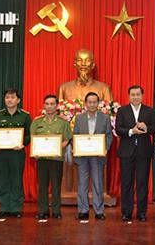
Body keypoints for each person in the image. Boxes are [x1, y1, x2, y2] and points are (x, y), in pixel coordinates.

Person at [58, 49, 113, 196]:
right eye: (80, 60)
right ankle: (77, 202)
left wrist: (104, 146)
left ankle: (98, 206)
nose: (83, 64)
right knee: (78, 179)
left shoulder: (103, 88)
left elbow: (109, 115)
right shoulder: (64, 88)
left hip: (97, 147)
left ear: (93, 64)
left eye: (87, 60)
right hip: (72, 144)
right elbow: (60, 115)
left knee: (97, 180)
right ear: (74, 64)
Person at [115, 85, 155, 222]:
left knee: (142, 183)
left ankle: (142, 213)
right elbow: (118, 129)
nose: (135, 97)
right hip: (127, 152)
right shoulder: (122, 111)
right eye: (133, 94)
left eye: (138, 94)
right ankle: (126, 212)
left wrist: (146, 128)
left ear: (142, 96)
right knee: (126, 183)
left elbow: (154, 129)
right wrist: (132, 131)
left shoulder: (149, 111)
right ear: (129, 96)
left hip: (143, 152)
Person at [30, 94, 72, 220]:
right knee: (42, 186)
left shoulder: (63, 123)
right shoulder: (37, 122)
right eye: (47, 104)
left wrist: (58, 148)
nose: (49, 106)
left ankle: (56, 211)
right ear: (44, 105)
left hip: (56, 159)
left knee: (56, 185)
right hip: (41, 158)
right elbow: (33, 138)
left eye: (52, 104)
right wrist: (35, 152)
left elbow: (67, 139)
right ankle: (42, 210)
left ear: (57, 106)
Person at [0, 88, 31, 218]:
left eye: (13, 97)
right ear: (4, 100)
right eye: (7, 97)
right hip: (2, 153)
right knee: (3, 180)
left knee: (16, 180)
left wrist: (23, 144)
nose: (10, 100)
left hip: (17, 153)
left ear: (18, 100)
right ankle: (4, 207)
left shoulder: (25, 116)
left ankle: (15, 208)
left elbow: (29, 135)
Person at [73, 92, 113, 221]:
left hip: (98, 156)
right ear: (85, 103)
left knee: (98, 183)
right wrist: (76, 148)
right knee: (82, 184)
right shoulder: (78, 118)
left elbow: (108, 135)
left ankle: (99, 211)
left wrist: (105, 148)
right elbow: (75, 136)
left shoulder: (105, 118)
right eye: (89, 102)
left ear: (98, 103)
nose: (92, 104)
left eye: (94, 102)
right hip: (82, 156)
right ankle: (83, 210)